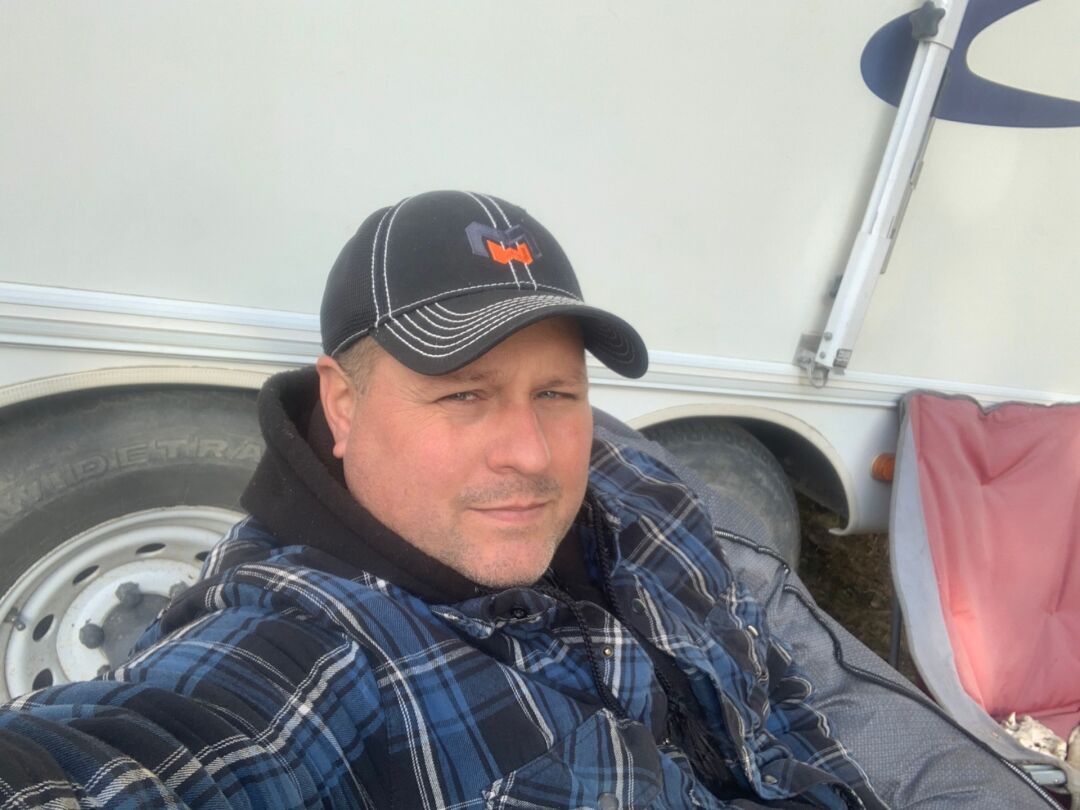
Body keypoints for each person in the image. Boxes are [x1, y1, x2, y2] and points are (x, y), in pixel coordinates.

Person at [0, 192, 1054, 809]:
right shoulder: (312, 649)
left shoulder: (624, 477)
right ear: (343, 403)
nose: (534, 453)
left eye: (558, 392)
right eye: (463, 395)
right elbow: (157, 754)